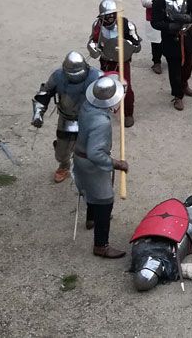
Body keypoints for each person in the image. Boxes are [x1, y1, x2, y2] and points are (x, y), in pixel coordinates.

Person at [73, 76, 129, 259]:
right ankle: (101, 245)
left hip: (80, 158)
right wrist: (116, 163)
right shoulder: (101, 122)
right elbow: (95, 153)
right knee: (105, 200)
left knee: (91, 192)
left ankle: (91, 218)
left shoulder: (87, 106)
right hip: (91, 164)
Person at [31, 52, 102, 183]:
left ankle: (88, 170)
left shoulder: (96, 76)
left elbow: (107, 96)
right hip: (66, 119)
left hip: (89, 119)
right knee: (61, 152)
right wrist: (38, 113)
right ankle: (64, 165)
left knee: (90, 149)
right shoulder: (58, 76)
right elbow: (44, 93)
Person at [150, 0, 192, 111]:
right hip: (170, 38)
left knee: (188, 65)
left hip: (187, 34)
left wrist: (188, 17)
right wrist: (169, 26)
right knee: (174, 69)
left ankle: (184, 84)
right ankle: (177, 95)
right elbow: (155, 22)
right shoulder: (159, 2)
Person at [86, 0, 141, 127]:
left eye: (112, 14)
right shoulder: (98, 25)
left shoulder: (126, 24)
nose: (110, 17)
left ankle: (128, 113)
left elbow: (137, 43)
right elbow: (93, 40)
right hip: (106, 60)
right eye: (107, 15)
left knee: (125, 86)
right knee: (105, 86)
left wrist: (128, 46)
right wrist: (94, 48)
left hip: (122, 61)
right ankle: (105, 110)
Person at [139, 0, 170, 74]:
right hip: (154, 17)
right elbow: (145, 2)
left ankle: (170, 59)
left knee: (169, 39)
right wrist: (161, 1)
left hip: (168, 16)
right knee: (157, 42)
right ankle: (156, 62)